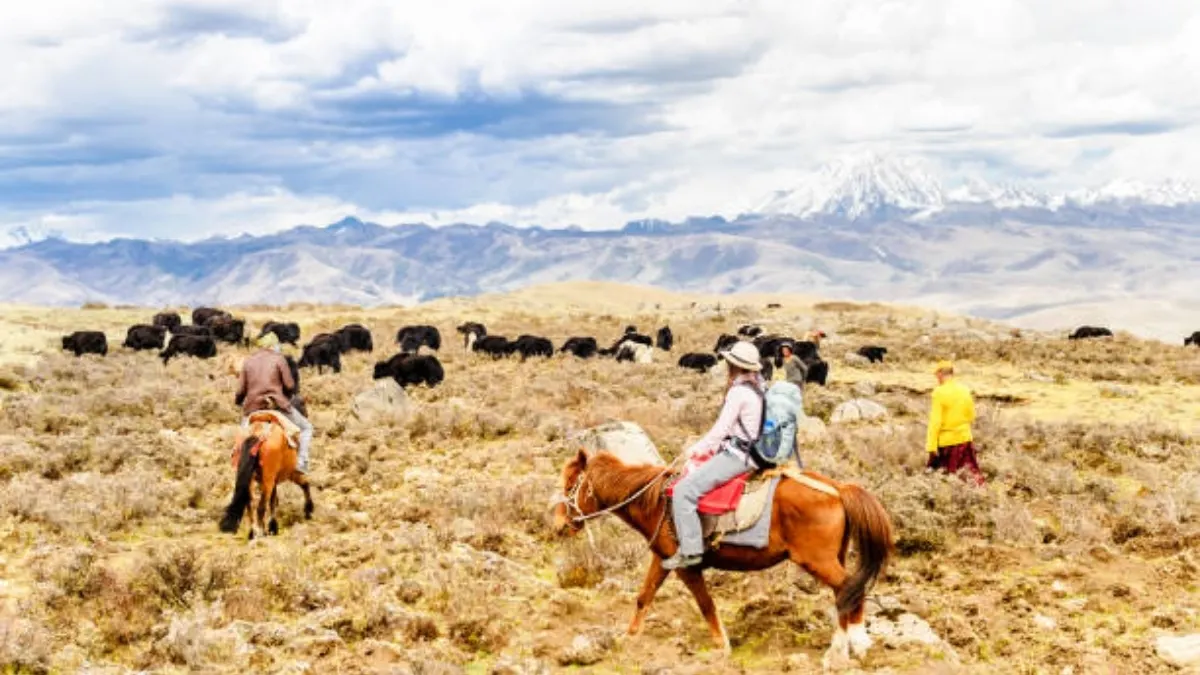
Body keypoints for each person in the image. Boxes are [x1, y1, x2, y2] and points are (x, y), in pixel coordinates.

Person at [663, 341, 767, 570]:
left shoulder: (738, 392)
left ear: (734, 366)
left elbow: (720, 430)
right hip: (750, 451)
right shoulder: (758, 388)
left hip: (739, 456)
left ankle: (691, 552)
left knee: (683, 491)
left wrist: (696, 449)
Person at [236, 332, 314, 474]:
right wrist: (287, 397)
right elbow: (290, 385)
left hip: (253, 407)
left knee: (242, 434)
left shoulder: (248, 361)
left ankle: (239, 462)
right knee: (306, 428)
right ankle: (302, 462)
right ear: (273, 345)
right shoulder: (279, 359)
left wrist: (239, 402)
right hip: (277, 405)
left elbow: (240, 390)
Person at [926, 360, 984, 486]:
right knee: (970, 476)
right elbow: (971, 416)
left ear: (941, 374)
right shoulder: (965, 390)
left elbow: (935, 421)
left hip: (947, 443)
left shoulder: (939, 392)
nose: (936, 378)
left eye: (936, 374)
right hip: (965, 439)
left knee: (942, 479)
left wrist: (931, 446)